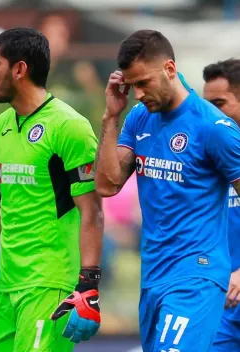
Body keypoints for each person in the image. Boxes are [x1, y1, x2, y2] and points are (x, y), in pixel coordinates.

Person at [0, 28, 104, 351]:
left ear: (19, 69)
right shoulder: (3, 124)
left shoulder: (70, 126)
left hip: (50, 287)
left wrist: (88, 285)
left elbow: (91, 211)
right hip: (6, 286)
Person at [94, 29, 240, 351]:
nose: (137, 94)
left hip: (196, 276)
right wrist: (110, 117)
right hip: (154, 276)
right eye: (131, 86)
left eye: (143, 83)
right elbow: (106, 184)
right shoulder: (138, 118)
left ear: (170, 70)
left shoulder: (213, 128)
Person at [202, 58, 240, 351]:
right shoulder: (204, 153)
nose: (210, 113)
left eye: (219, 103)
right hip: (221, 299)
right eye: (206, 104)